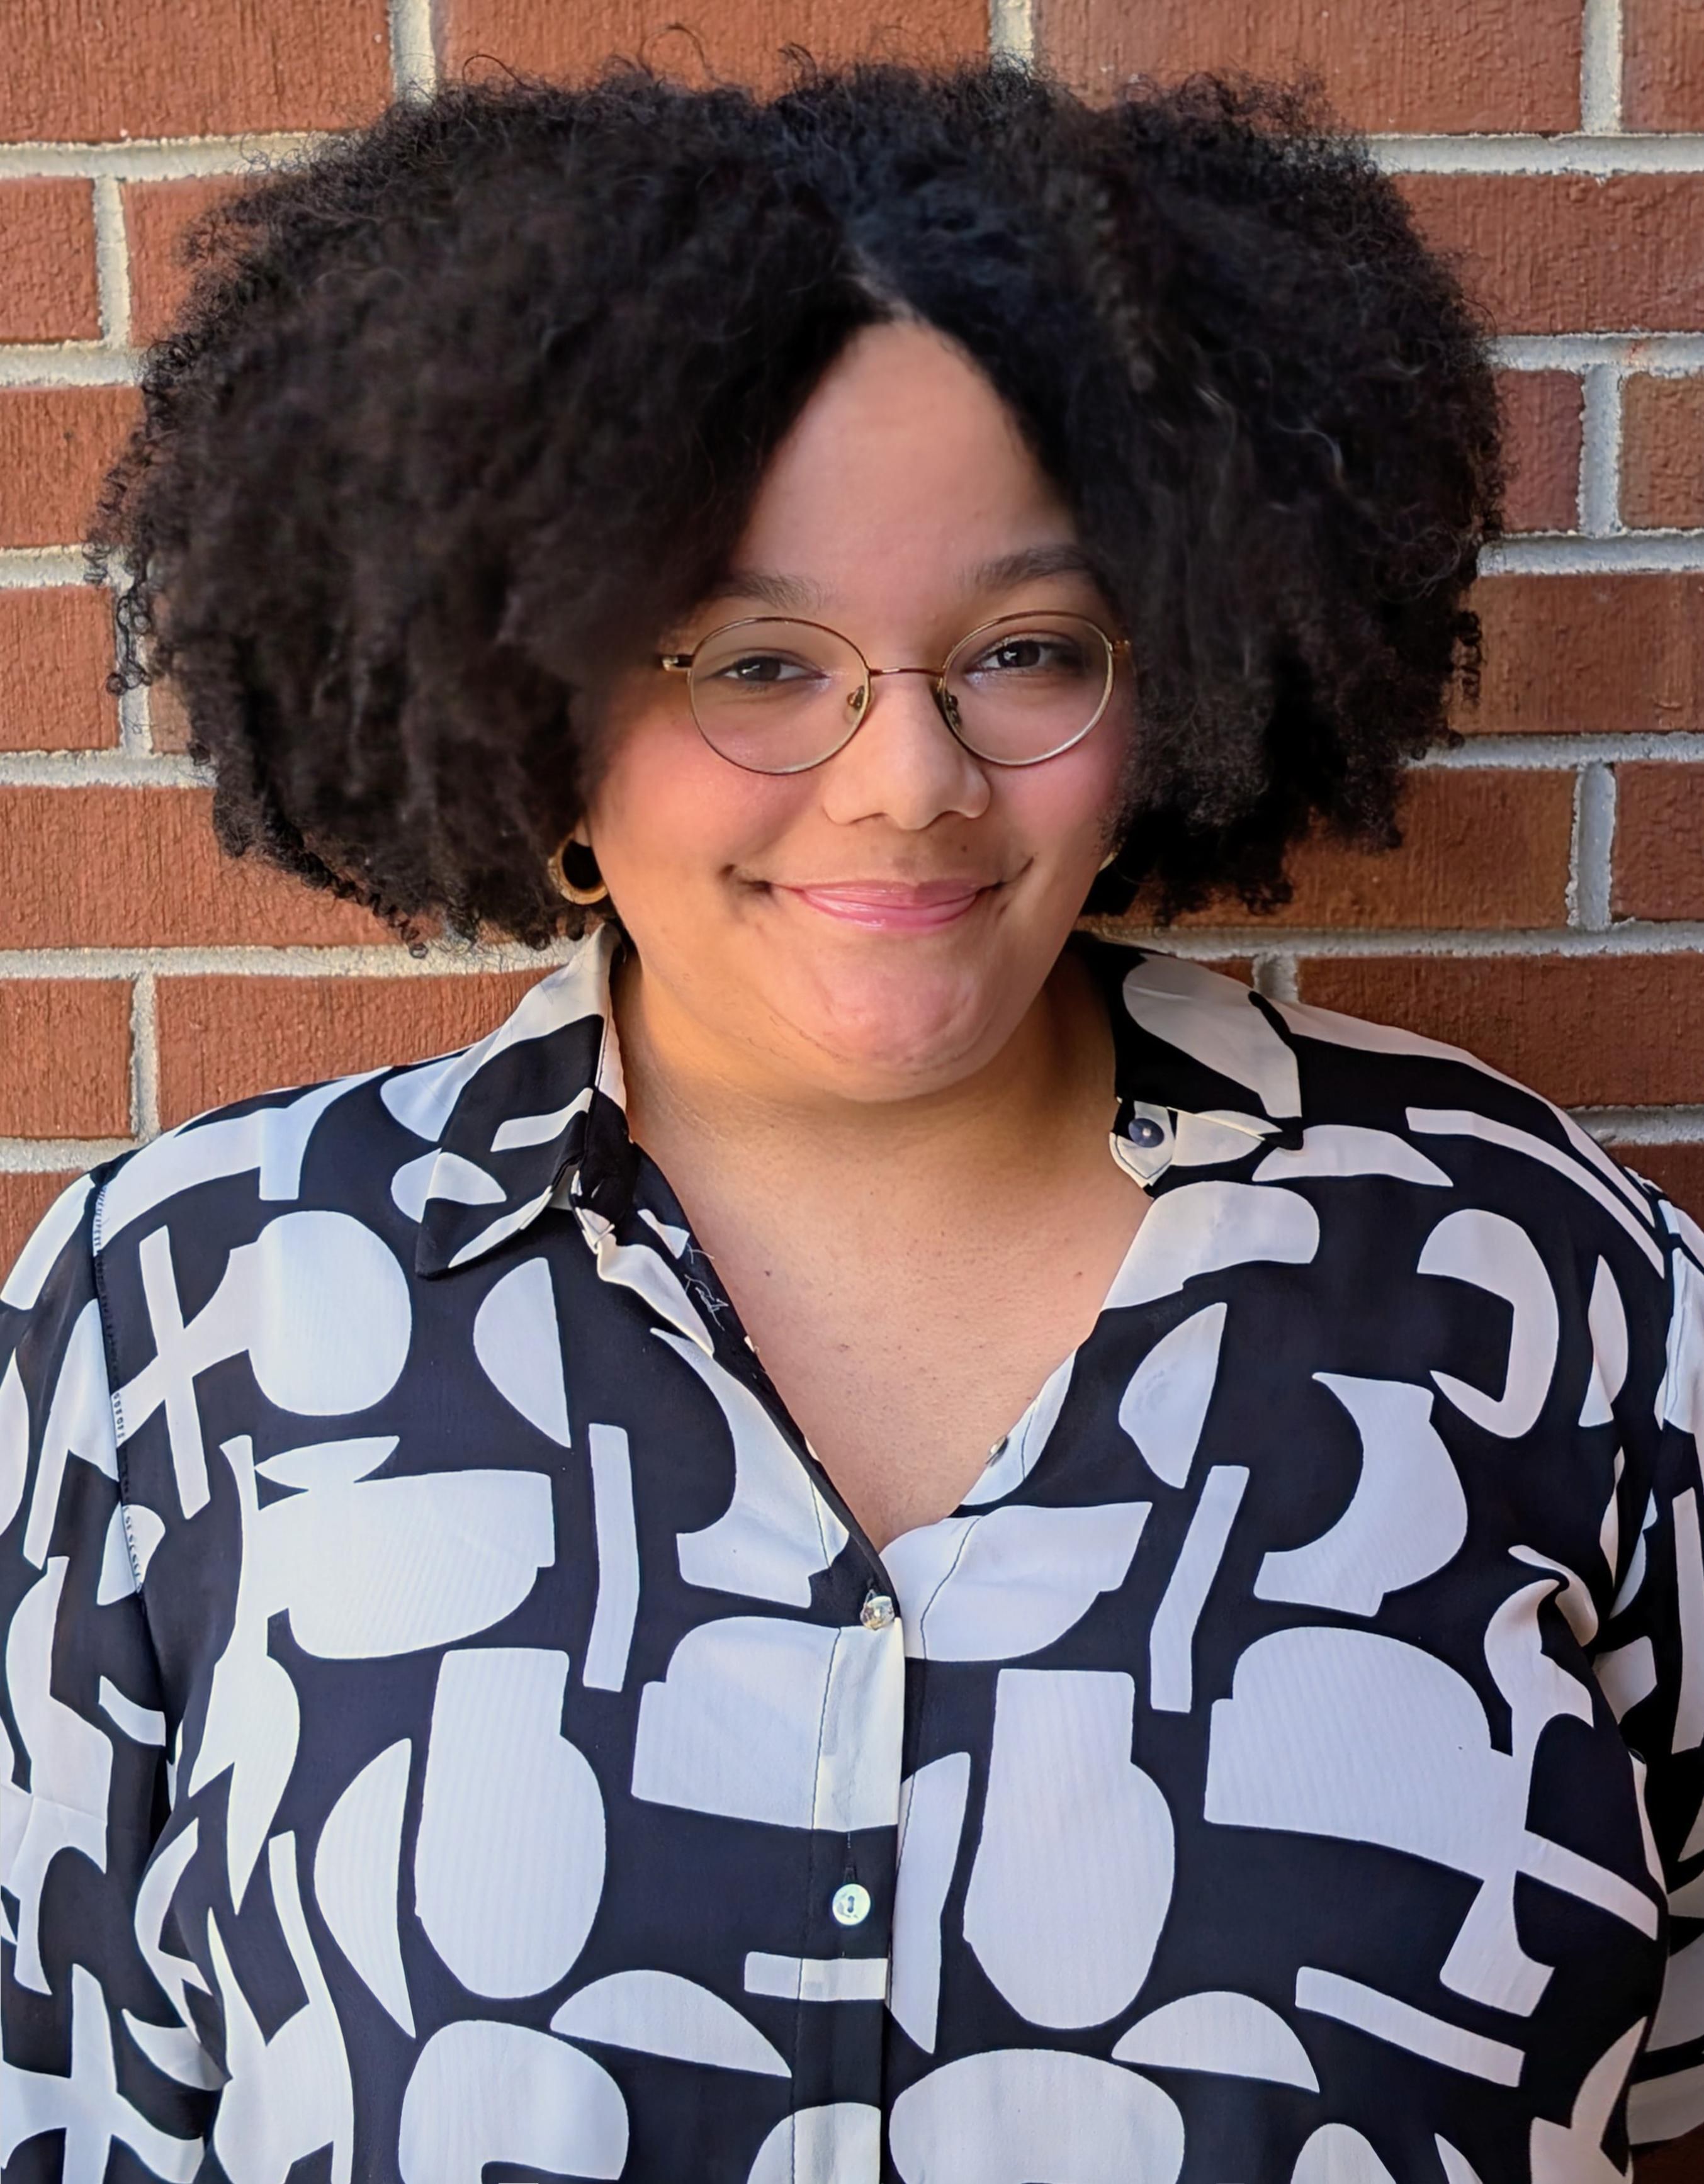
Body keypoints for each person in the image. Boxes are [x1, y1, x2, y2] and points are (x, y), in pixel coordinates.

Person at [2, 51, 1700, 2184]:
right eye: (752, 659)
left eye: (1026, 647)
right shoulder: (193, 1312)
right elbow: (74, 2098)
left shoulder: (1543, 1288)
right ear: (524, 690)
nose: (908, 782)